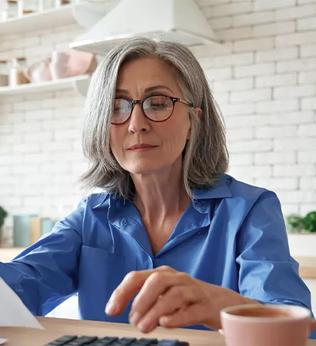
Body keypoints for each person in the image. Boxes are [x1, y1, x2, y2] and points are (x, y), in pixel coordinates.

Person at [0, 38, 314, 337]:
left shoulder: (249, 210)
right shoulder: (89, 218)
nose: (136, 123)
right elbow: (19, 287)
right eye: (116, 106)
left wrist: (221, 305)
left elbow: (298, 327)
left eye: (158, 102)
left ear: (194, 120)